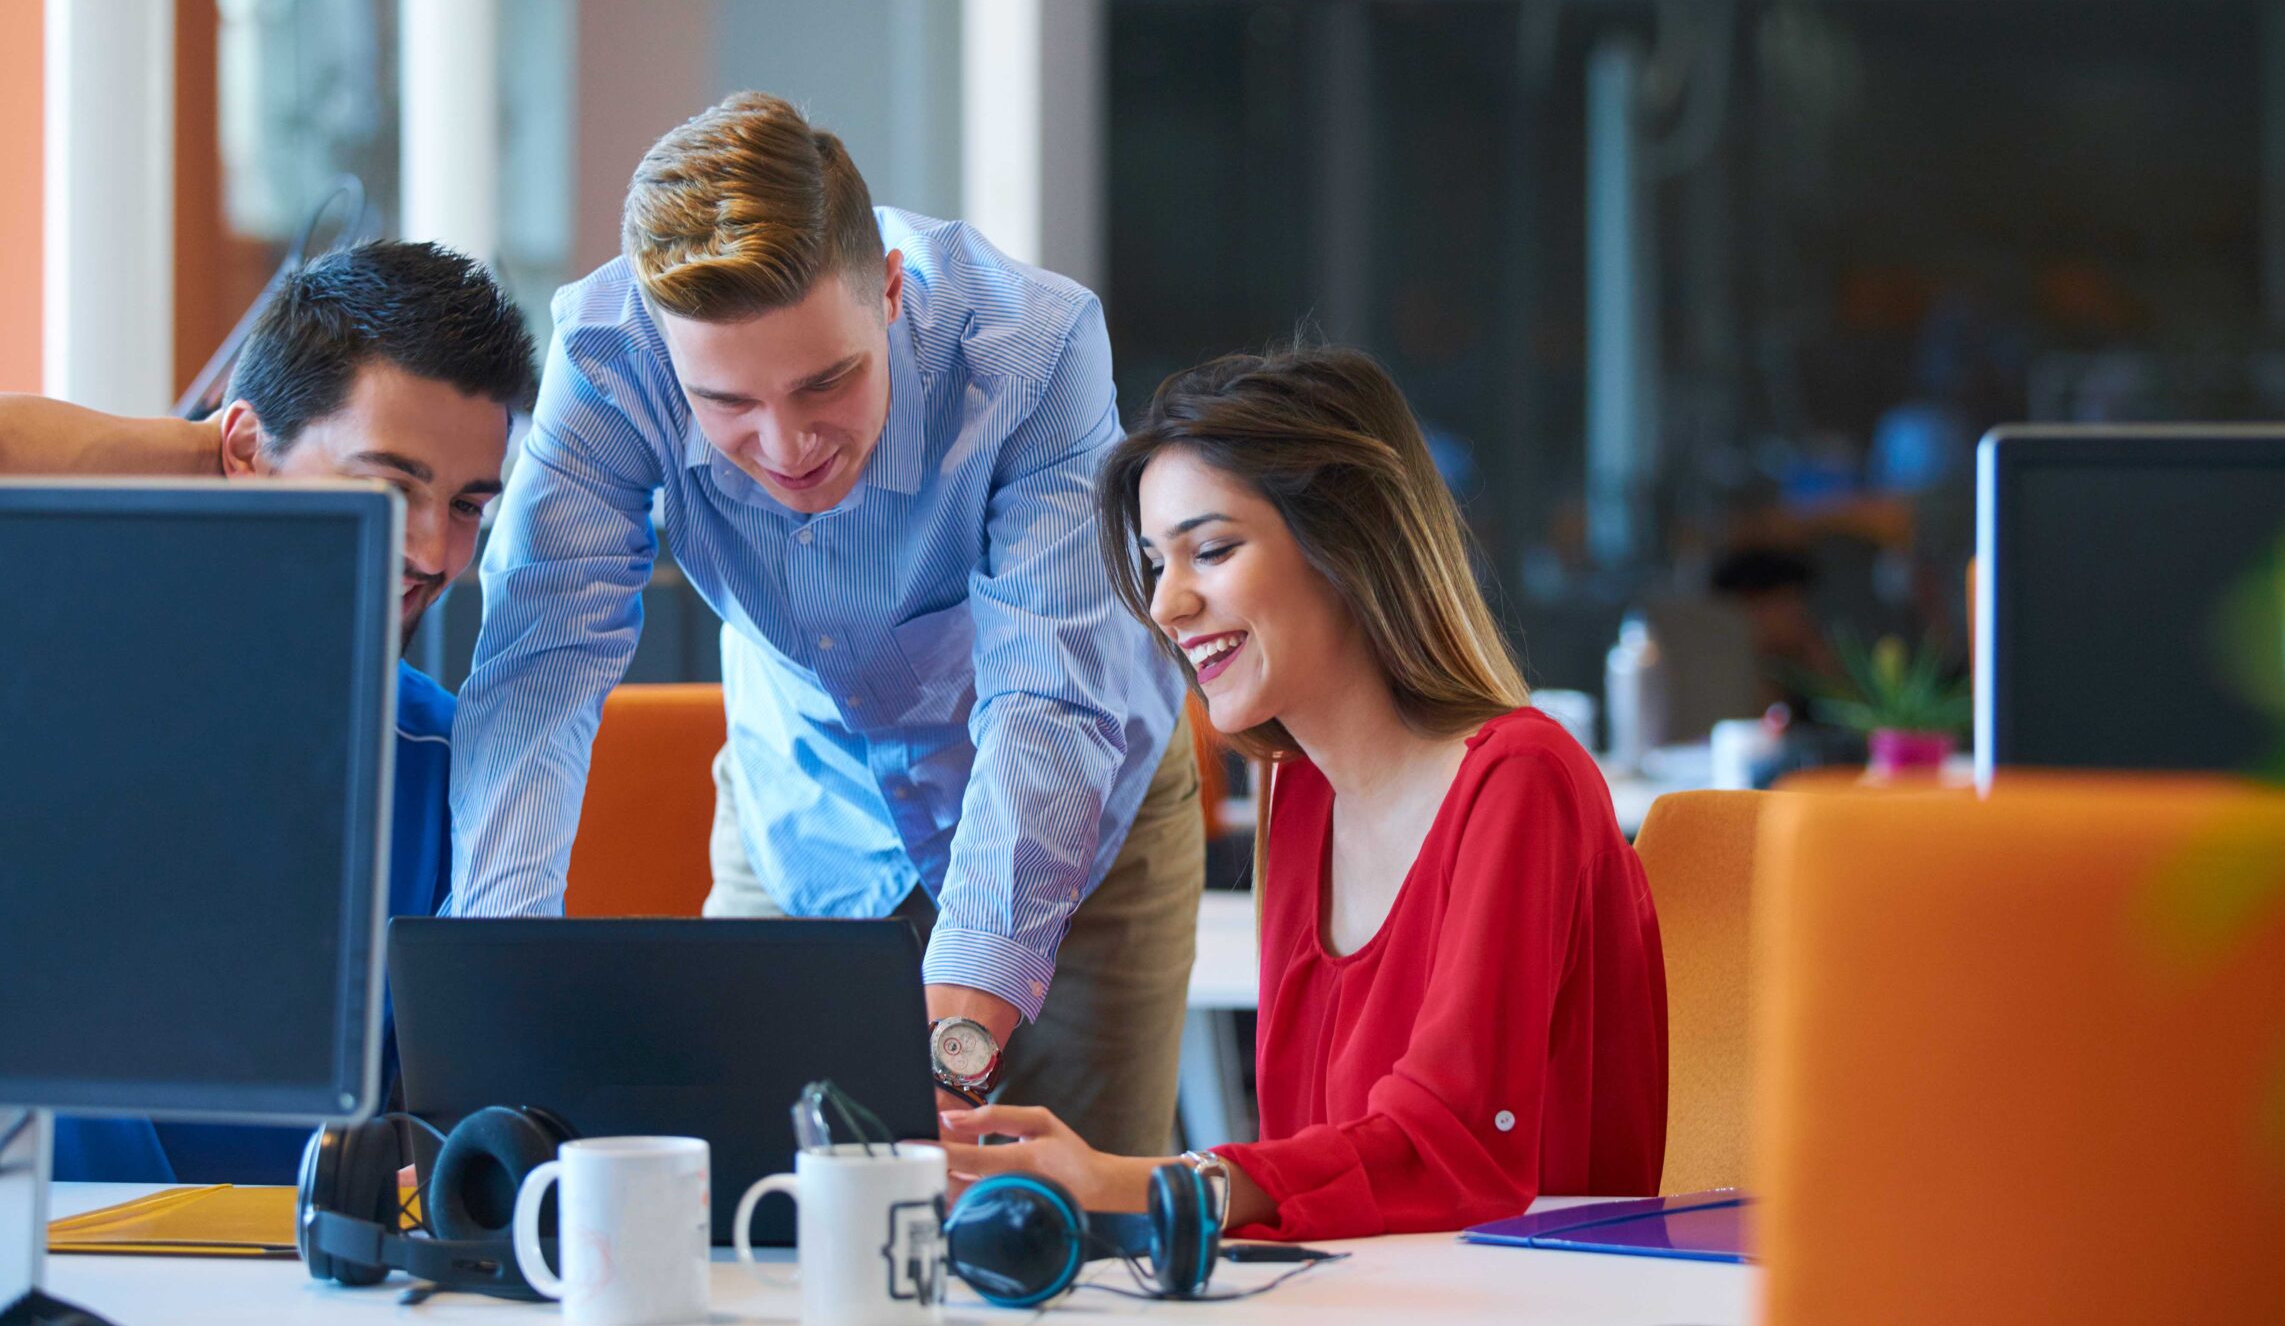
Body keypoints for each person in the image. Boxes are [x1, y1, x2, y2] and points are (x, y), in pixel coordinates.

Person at [448, 93, 1199, 1156]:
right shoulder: (610, 354)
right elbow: (541, 673)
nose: (787, 442)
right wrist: (500, 1003)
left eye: (826, 381)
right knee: (753, 1207)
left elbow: (1053, 702)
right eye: (727, 404)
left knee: (1069, 1225)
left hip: (1077, 807)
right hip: (802, 803)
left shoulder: (1033, 349)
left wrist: (957, 1038)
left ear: (888, 290)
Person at [939, 344, 1668, 1240]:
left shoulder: (1523, 781)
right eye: (1155, 563)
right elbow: (1317, 1156)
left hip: (1517, 1317)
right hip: (1354, 1309)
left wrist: (1132, 1182)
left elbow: (1451, 1148)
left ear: (1346, 546)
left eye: (1210, 550)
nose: (1166, 606)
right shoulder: (1298, 792)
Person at [0, 240, 540, 1182]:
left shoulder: (447, 760)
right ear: (248, 449)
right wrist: (204, 450)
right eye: (388, 483)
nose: (430, 549)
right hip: (53, 1262)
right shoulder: (57, 692)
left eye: (467, 506)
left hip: (299, 1292)